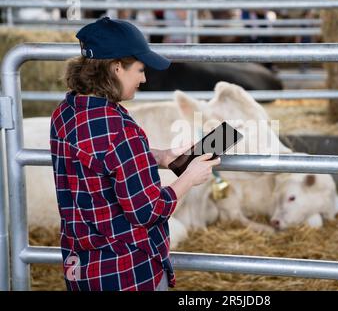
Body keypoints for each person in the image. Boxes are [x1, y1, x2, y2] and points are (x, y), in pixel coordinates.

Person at [50, 17, 220, 291]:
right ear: (116, 67)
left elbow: (97, 159)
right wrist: (189, 177)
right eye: (140, 69)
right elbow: (147, 211)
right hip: (128, 271)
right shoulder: (121, 129)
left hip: (82, 266)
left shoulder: (66, 112)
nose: (144, 78)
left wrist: (160, 155)